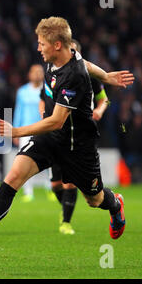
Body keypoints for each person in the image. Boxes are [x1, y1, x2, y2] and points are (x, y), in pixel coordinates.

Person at [0, 17, 133, 259]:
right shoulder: (62, 57)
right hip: (50, 139)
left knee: (94, 200)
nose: (38, 48)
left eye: (42, 44)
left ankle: (115, 204)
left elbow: (57, 120)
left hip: (77, 146)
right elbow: (85, 62)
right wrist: (106, 76)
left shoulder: (73, 76)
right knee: (13, 176)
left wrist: (16, 131)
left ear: (57, 45)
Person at [42, 39, 110, 235]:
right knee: (56, 185)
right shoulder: (53, 73)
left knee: (71, 182)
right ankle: (66, 207)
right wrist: (44, 114)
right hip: (56, 132)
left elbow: (104, 98)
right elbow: (43, 98)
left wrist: (99, 110)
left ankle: (65, 221)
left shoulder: (87, 74)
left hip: (79, 133)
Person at [12, 64, 45, 202]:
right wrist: (15, 130)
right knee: (24, 162)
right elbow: (18, 110)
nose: (37, 74)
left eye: (39, 71)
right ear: (29, 74)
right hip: (25, 130)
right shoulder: (22, 91)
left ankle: (50, 188)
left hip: (43, 129)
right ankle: (28, 192)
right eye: (34, 72)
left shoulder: (47, 90)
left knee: (47, 161)